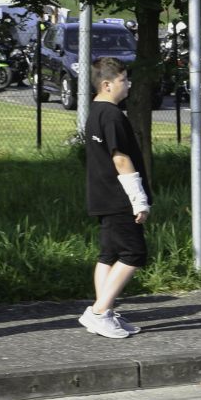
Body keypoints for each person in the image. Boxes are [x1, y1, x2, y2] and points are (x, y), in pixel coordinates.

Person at [79, 58, 148, 339]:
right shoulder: (112, 115)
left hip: (102, 195)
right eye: (123, 80)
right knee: (133, 253)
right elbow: (120, 159)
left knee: (108, 255)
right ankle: (99, 312)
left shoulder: (95, 112)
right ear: (107, 85)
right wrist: (139, 199)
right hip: (119, 198)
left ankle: (104, 312)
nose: (127, 84)